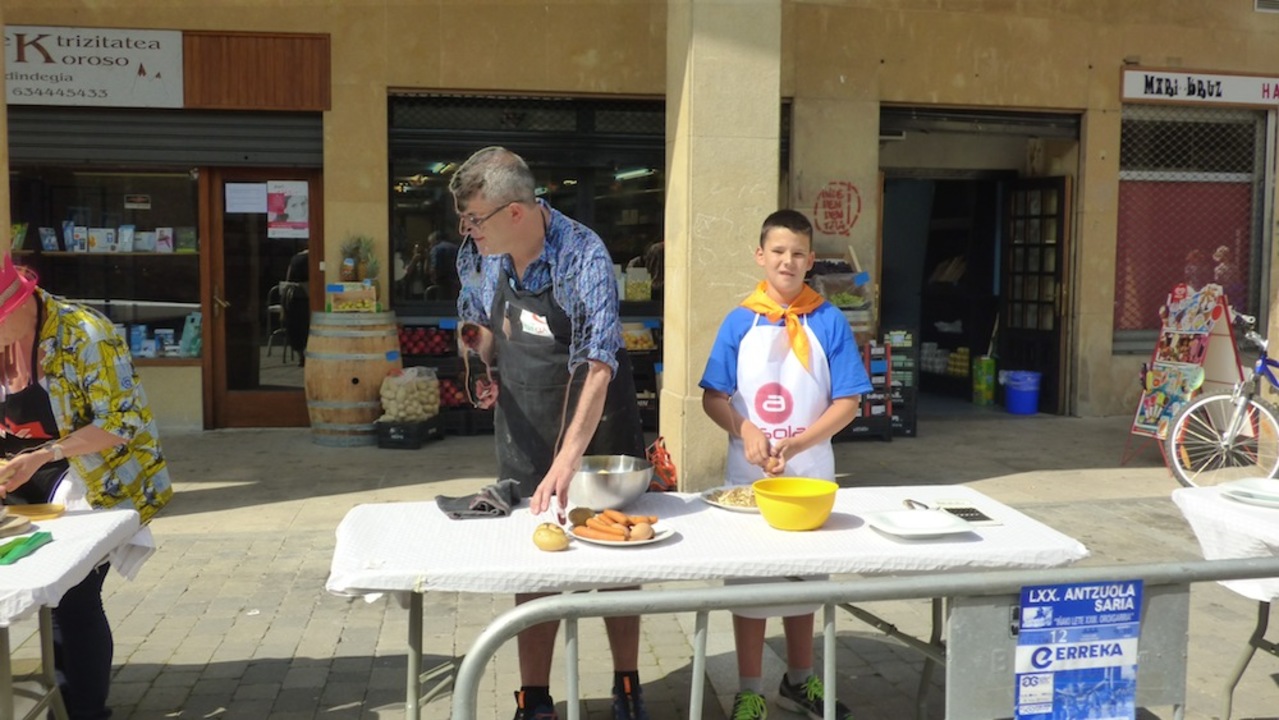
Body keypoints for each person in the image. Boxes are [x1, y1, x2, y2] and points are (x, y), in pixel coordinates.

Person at [450, 146, 649, 720]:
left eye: (475, 219)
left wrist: (568, 460)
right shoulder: (480, 253)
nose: (467, 231)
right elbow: (479, 321)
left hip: (596, 428)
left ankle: (627, 685)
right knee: (533, 563)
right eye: (464, 220)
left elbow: (599, 363)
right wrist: (479, 358)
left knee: (615, 561)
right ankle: (533, 698)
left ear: (515, 212)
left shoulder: (581, 254)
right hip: (523, 422)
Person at [699, 209, 871, 720]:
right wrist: (746, 429)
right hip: (749, 479)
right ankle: (749, 688)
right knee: (750, 585)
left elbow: (848, 401)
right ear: (760, 256)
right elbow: (713, 396)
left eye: (797, 253)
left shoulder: (828, 320)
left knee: (806, 583)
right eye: (778, 251)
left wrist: (800, 442)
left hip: (809, 476)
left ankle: (799, 680)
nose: (787, 261)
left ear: (811, 260)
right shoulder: (739, 321)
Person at [0, 252, 172, 719]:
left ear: (18, 304)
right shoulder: (7, 334)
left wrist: (45, 455)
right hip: (20, 470)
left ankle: (84, 711)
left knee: (72, 597)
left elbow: (121, 421)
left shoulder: (86, 334)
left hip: (89, 472)